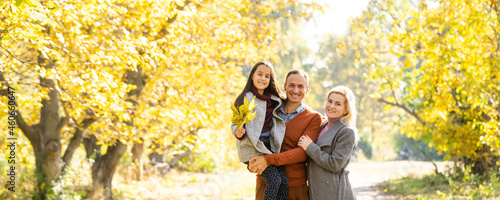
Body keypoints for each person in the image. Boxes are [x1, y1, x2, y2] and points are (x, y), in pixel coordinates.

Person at [249, 69, 322, 200]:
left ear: (307, 89)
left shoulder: (313, 118)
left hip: (294, 185)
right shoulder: (270, 108)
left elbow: (302, 153)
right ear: (285, 86)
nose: (295, 90)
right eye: (291, 85)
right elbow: (252, 134)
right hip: (265, 181)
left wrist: (268, 160)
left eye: (300, 86)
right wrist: (251, 161)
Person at [231, 60, 288, 200]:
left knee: (284, 181)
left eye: (267, 76)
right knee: (274, 180)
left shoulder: (275, 99)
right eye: (260, 74)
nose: (263, 79)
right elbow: (235, 123)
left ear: (270, 79)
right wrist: (237, 132)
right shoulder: (245, 98)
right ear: (252, 76)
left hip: (268, 146)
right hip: (251, 147)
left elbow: (294, 104)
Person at [298, 86, 359, 200]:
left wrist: (310, 147)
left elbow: (335, 164)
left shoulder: (346, 132)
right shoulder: (321, 125)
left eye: (338, 104)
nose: (331, 106)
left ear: (346, 109)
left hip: (335, 193)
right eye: (330, 101)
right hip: (316, 190)